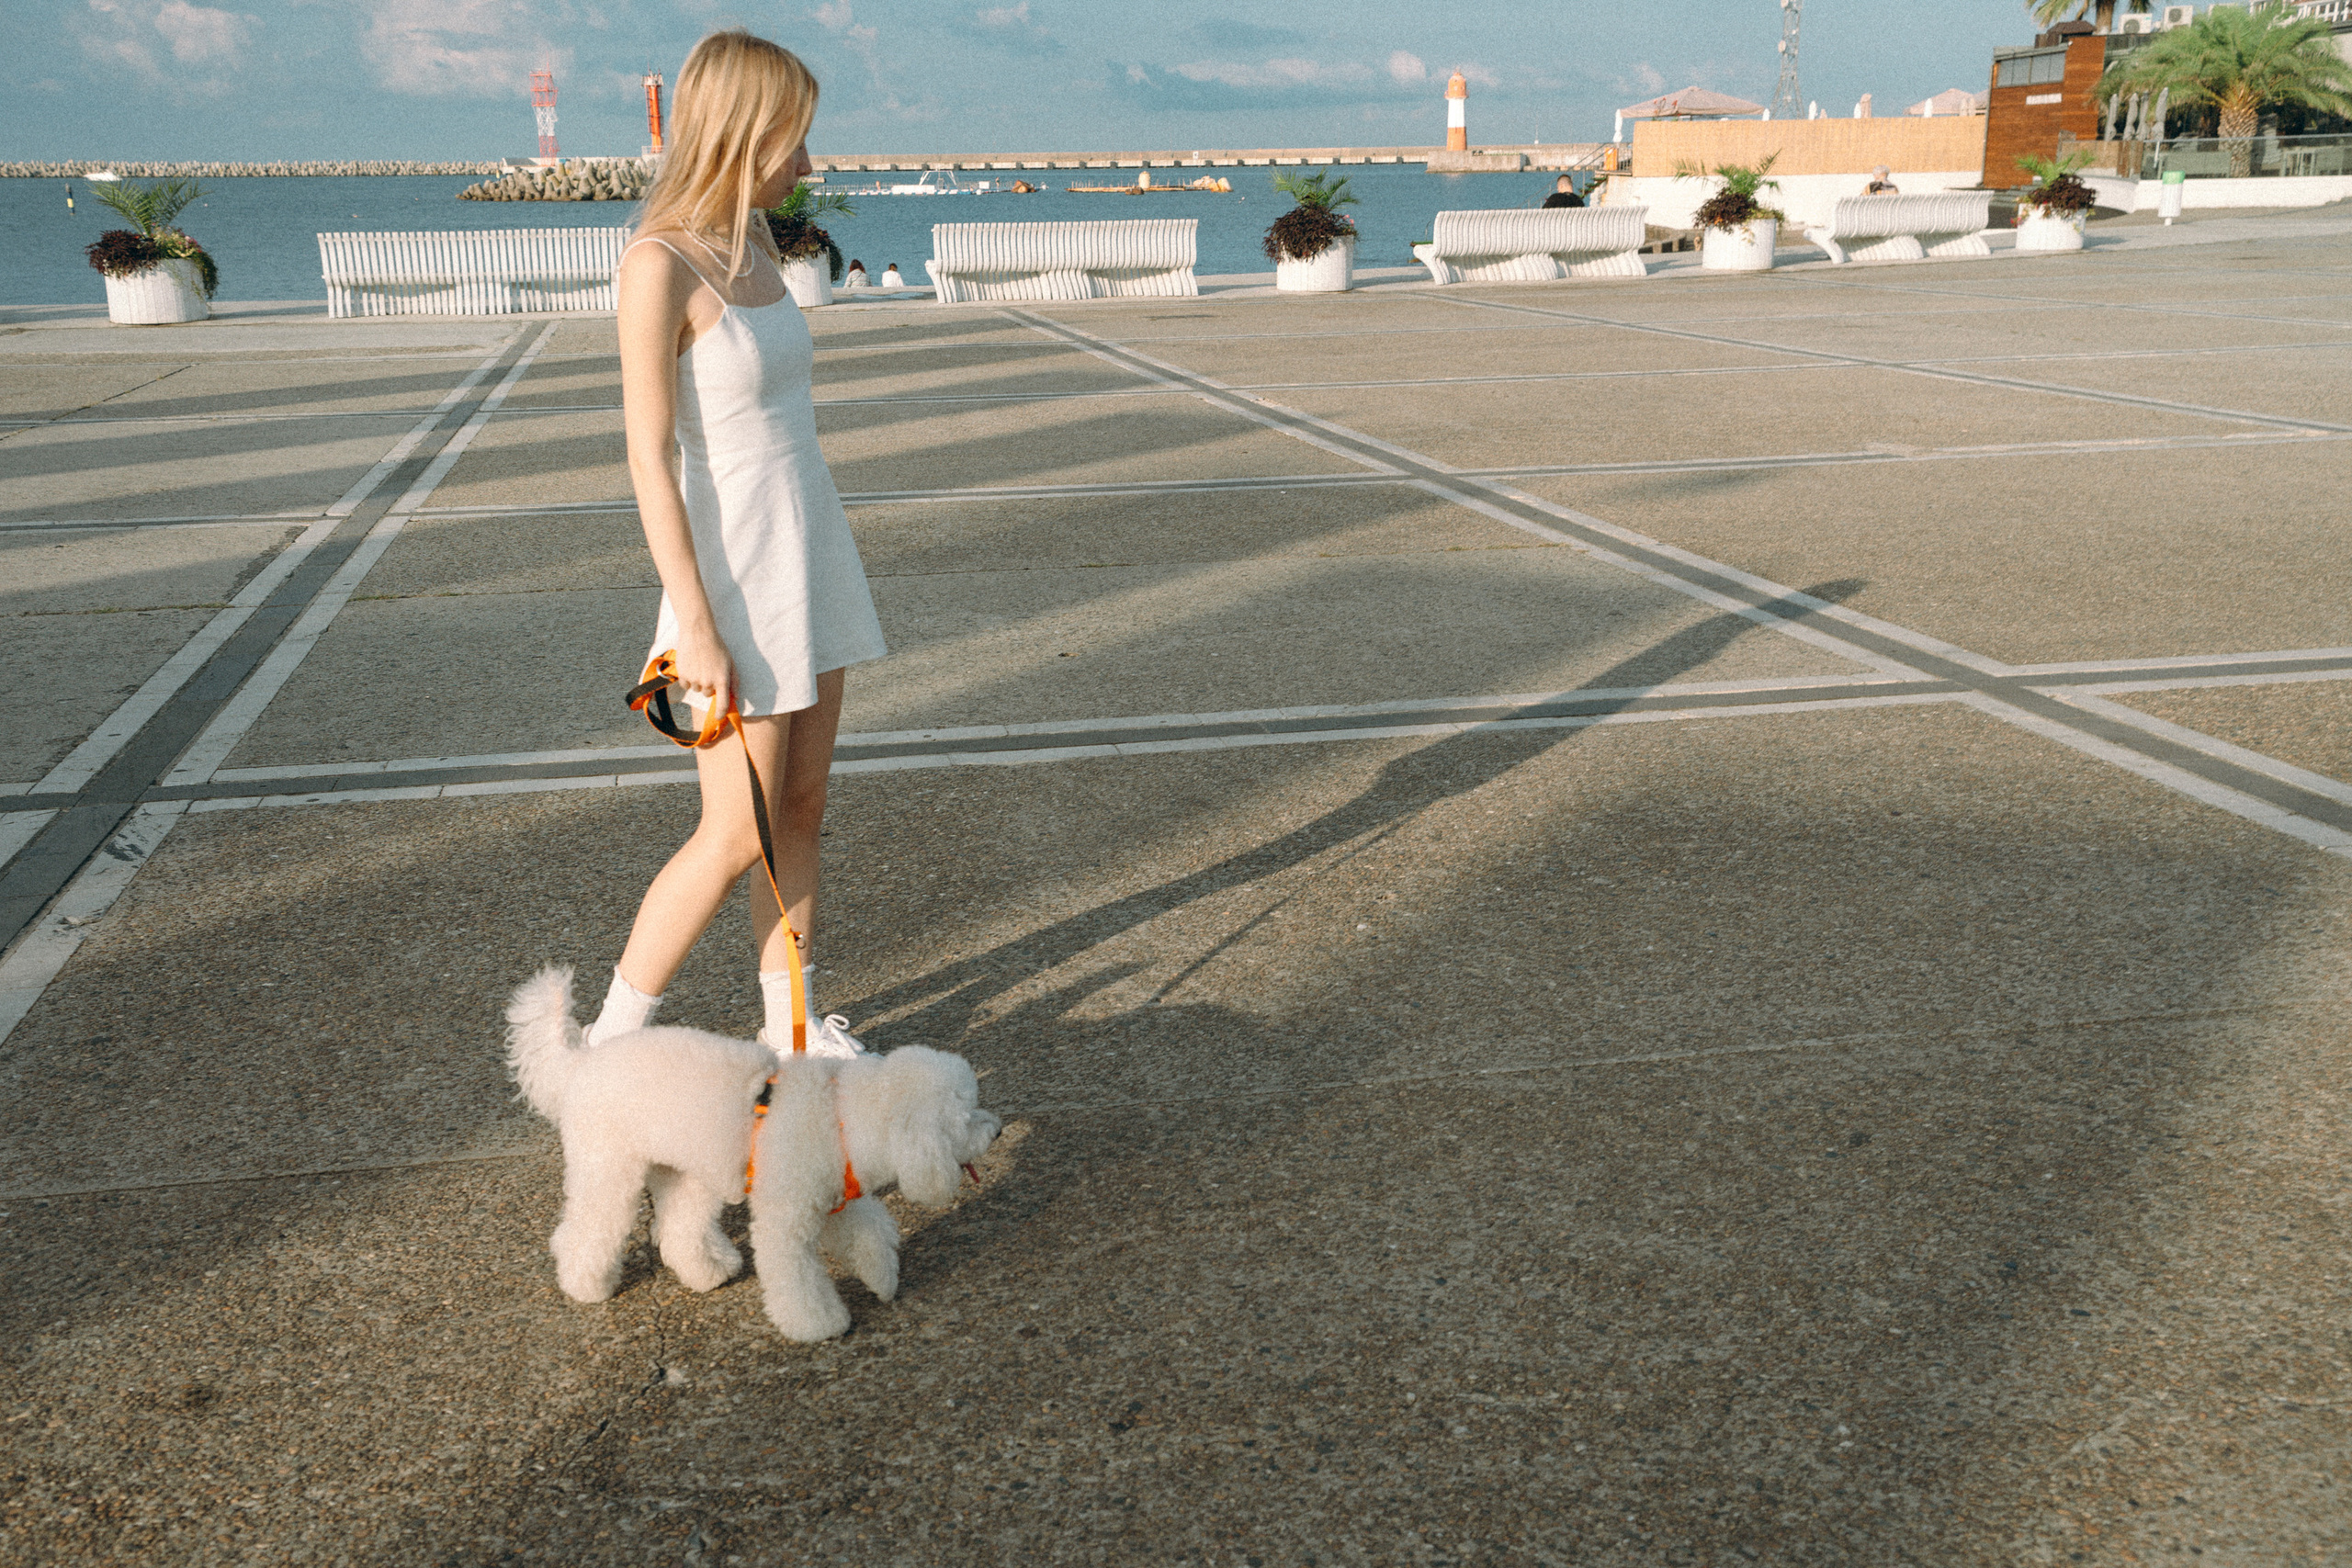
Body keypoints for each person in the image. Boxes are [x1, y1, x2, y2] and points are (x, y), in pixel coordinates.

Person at [595, 28, 888, 1057]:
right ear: (743, 135)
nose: (808, 165)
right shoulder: (658, 264)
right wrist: (699, 629)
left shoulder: (757, 241)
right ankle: (602, 1047)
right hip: (728, 582)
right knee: (730, 834)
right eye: (793, 141)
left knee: (799, 811)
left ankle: (792, 1034)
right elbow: (645, 459)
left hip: (807, 554)